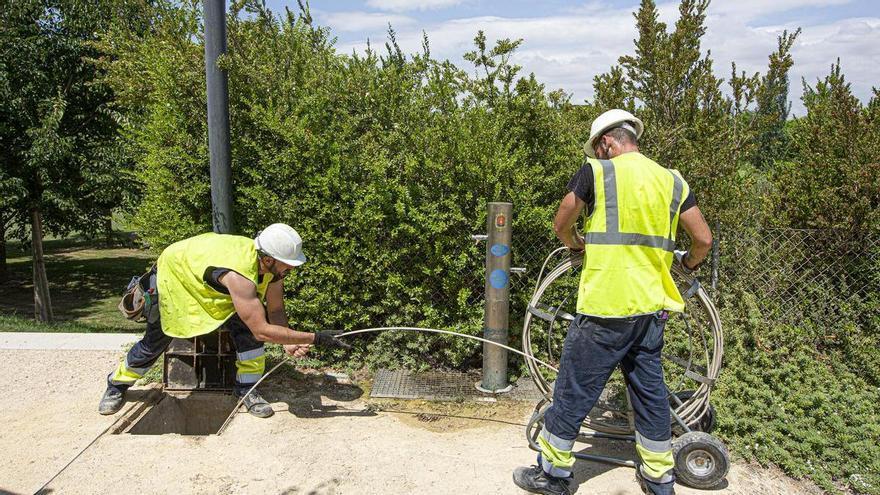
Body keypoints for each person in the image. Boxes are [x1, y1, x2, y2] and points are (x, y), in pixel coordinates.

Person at [512, 109, 713, 495]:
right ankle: (659, 478)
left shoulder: (597, 172)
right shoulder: (672, 180)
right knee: (650, 393)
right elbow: (702, 239)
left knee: (573, 390)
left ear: (606, 142)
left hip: (605, 307)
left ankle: (552, 475)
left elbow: (561, 222)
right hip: (651, 309)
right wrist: (686, 265)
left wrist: (574, 242)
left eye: (599, 148)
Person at [98, 223, 350, 418]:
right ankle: (117, 384)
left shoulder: (273, 270)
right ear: (269, 259)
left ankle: (247, 390)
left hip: (211, 284)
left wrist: (287, 341)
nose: (292, 269)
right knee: (156, 342)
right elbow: (263, 331)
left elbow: (275, 310)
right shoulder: (240, 277)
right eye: (289, 264)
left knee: (248, 335)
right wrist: (317, 338)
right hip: (177, 278)